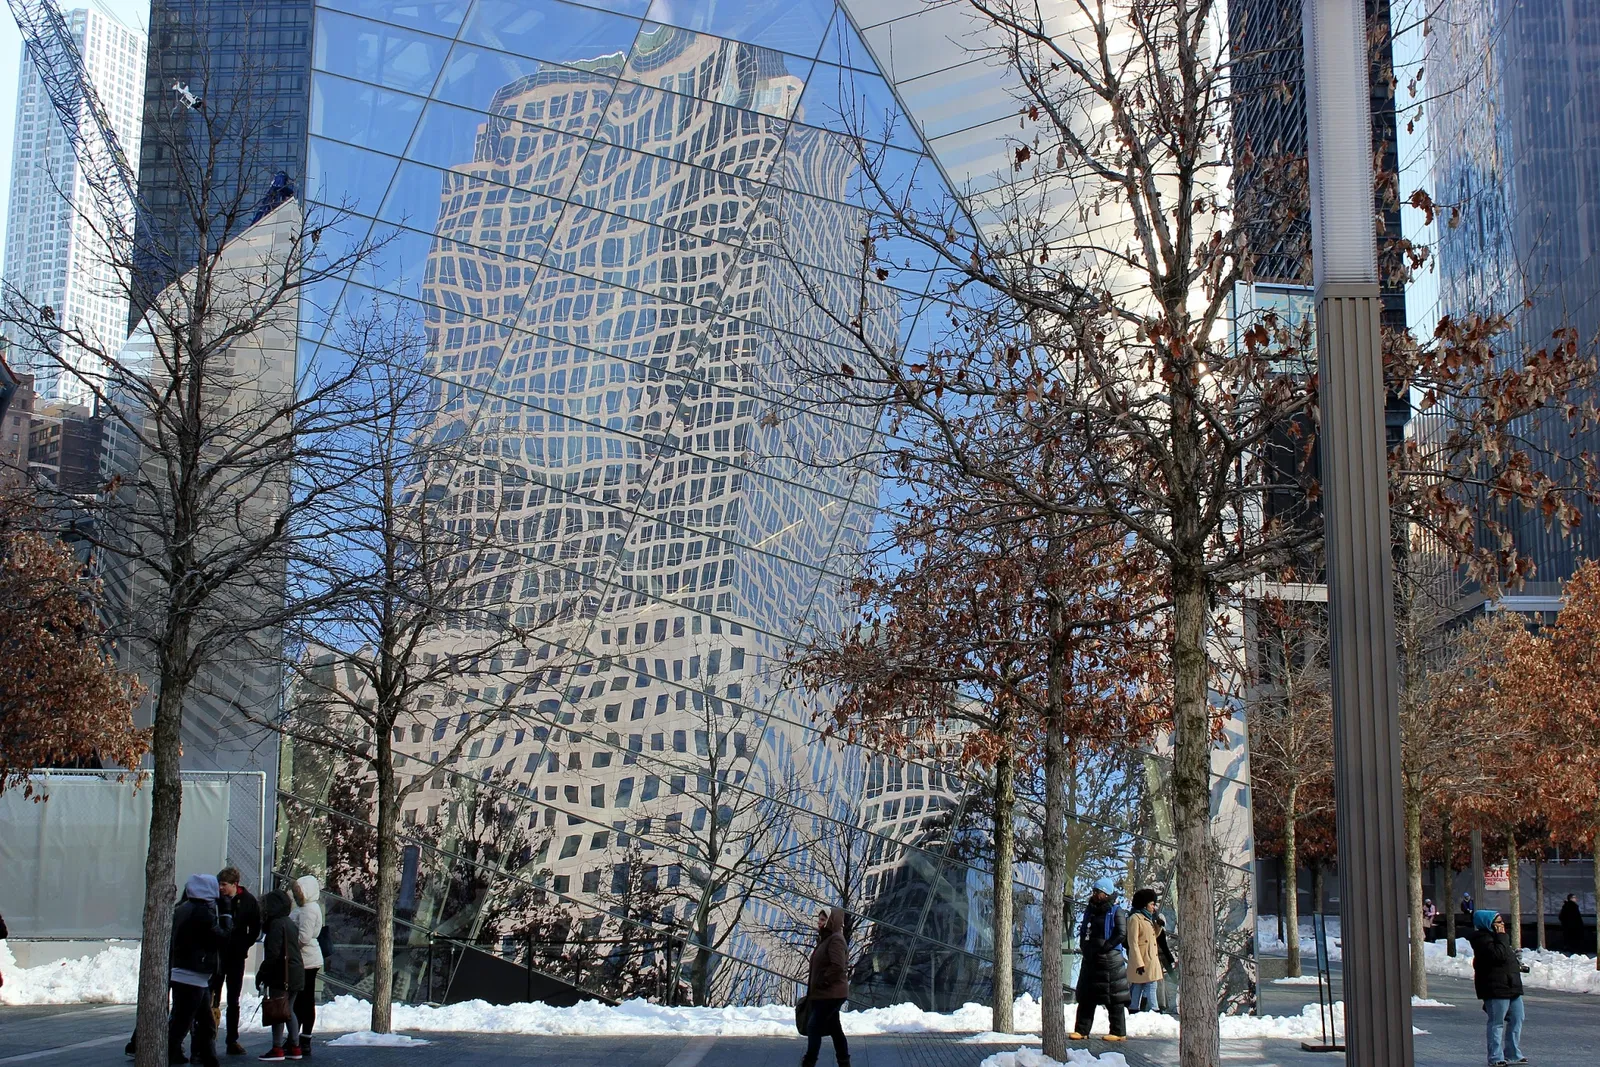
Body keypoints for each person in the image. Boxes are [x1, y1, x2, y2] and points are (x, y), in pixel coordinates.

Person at [169, 874, 233, 1067]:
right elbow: (221, 938)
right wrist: (227, 915)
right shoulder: (203, 912)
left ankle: (204, 1057)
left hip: (185, 970)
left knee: (195, 1019)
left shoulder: (182, 909)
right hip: (194, 973)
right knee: (187, 1020)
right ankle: (175, 1054)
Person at [1071, 878, 1130, 1042]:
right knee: (1086, 996)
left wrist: (1106, 947)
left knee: (1113, 997)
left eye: (1099, 892)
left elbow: (1121, 933)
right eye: (1094, 891)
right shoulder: (1090, 911)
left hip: (1110, 961)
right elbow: (1084, 930)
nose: (1095, 895)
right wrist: (1085, 946)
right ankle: (1081, 1030)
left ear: (1107, 893)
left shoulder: (1116, 911)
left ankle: (1118, 1032)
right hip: (1091, 959)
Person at [1470, 910, 1529, 1067]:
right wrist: (1502, 937)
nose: (1502, 925)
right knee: (1496, 1023)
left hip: (1512, 986)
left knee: (1517, 1017)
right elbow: (1498, 956)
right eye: (1498, 922)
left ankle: (1513, 1053)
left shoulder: (1499, 938)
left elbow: (1506, 958)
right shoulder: (1481, 939)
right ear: (1488, 923)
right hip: (1495, 987)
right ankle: (1496, 1057)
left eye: (1502, 922)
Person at [212, 868, 261, 1057]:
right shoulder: (216, 900)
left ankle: (232, 1039)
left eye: (224, 885)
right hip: (218, 955)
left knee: (233, 999)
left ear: (235, 884)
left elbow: (255, 927)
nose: (221, 888)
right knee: (213, 996)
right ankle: (209, 1036)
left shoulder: (248, 901)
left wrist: (244, 944)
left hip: (235, 956)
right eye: (220, 884)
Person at [256, 886, 305, 1061]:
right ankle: (295, 1046)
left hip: (282, 974)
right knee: (289, 1010)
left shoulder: (276, 924)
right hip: (295, 971)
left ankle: (277, 1048)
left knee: (279, 1010)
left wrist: (262, 973)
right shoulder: (289, 922)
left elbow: (273, 954)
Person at [802, 906, 850, 1067]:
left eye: (823, 920)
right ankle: (844, 1062)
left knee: (813, 1026)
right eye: (819, 919)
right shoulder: (826, 938)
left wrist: (823, 980)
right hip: (827, 992)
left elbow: (838, 966)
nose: (819, 923)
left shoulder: (835, 939)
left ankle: (809, 1062)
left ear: (831, 921)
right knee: (835, 1028)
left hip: (830, 993)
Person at [289, 876, 324, 1058]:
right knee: (304, 1000)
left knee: (303, 1000)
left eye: (298, 892)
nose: (296, 895)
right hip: (307, 958)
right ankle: (301, 1037)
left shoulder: (308, 910)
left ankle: (302, 1038)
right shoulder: (309, 908)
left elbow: (303, 937)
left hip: (305, 959)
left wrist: (288, 944)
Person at [1126, 889, 1163, 1014]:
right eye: (1152, 904)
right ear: (1144, 904)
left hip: (1149, 959)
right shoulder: (1135, 918)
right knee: (1149, 985)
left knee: (1140, 985)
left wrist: (1158, 925)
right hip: (1142, 959)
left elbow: (1153, 937)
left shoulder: (1148, 918)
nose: (1154, 907)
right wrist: (1138, 963)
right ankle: (1154, 1009)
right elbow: (1133, 942)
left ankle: (1134, 1008)